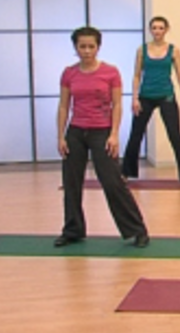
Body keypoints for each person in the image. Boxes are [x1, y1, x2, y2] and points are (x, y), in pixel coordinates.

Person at [55, 26, 150, 248]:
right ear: (76, 48)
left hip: (102, 132)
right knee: (71, 183)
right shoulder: (69, 73)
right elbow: (63, 106)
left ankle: (136, 230)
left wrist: (114, 134)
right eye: (82, 46)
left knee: (113, 182)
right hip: (75, 132)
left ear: (98, 47)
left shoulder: (110, 72)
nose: (87, 51)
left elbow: (117, 104)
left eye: (91, 46)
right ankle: (73, 230)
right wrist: (61, 136)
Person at [121, 16, 180, 187]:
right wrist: (134, 98)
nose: (157, 31)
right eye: (154, 28)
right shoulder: (142, 50)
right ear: (150, 30)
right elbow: (136, 75)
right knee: (136, 134)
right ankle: (126, 172)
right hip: (145, 96)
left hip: (166, 96)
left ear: (166, 30)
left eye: (160, 28)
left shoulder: (174, 50)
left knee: (175, 135)